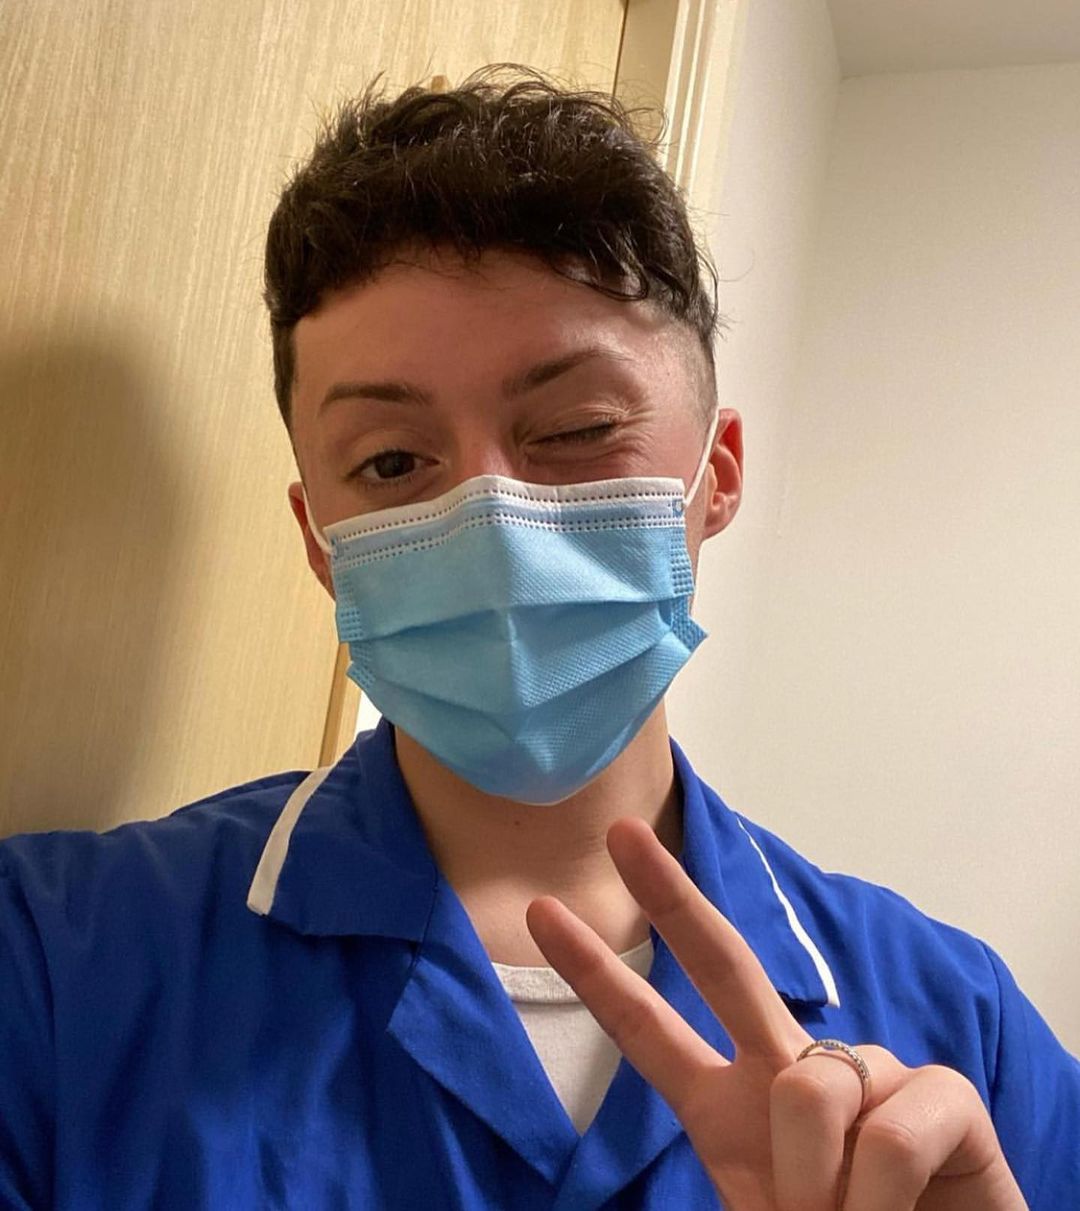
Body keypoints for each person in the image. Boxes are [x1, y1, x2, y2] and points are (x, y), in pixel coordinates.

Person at [1, 65, 1077, 1211]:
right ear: (320, 540)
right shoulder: (56, 963)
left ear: (716, 474)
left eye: (575, 428)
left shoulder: (962, 1029)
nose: (493, 520)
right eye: (392, 461)